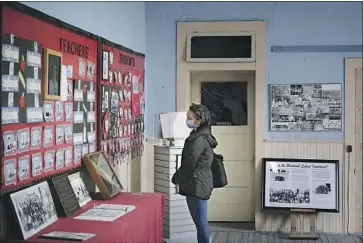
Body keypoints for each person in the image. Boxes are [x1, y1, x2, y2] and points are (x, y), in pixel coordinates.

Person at [172, 103, 217, 243]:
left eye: (189, 117)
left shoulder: (198, 139)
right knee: (201, 223)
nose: (187, 119)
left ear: (198, 119)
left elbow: (189, 164)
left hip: (196, 184)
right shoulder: (204, 135)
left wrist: (176, 178)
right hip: (201, 181)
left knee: (201, 224)